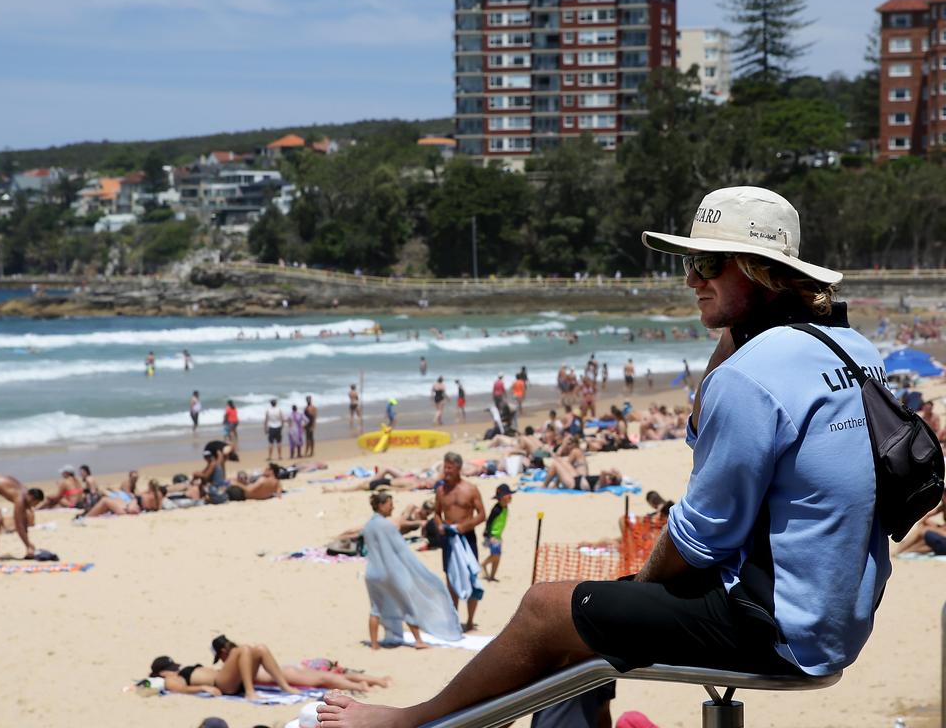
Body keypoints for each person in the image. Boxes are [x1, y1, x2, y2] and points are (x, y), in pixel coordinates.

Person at [317, 186, 893, 728]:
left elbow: (700, 539)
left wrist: (634, 594)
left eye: (709, 264)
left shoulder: (751, 376)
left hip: (774, 627)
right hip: (836, 617)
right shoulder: (851, 348)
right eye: (687, 264)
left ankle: (410, 721)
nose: (691, 279)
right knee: (582, 616)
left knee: (547, 607)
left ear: (761, 270)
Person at [361, 492, 463, 650]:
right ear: (381, 506)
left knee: (375, 608)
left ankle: (374, 644)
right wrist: (419, 570)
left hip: (372, 573)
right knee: (407, 605)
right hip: (389, 572)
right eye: (390, 503)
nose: (393, 506)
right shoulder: (387, 526)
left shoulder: (368, 526)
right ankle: (418, 641)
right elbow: (401, 550)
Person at [210, 635, 391, 692]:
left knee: (323, 679)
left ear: (224, 652)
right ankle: (378, 680)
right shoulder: (247, 657)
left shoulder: (240, 661)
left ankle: (360, 687)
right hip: (287, 669)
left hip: (285, 675)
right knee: (331, 676)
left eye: (221, 658)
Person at [433, 451, 486, 632]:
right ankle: (454, 619)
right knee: (451, 579)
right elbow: (436, 513)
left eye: (449, 467)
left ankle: (470, 621)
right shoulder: (440, 490)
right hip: (449, 539)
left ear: (458, 468)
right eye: (444, 466)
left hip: (467, 538)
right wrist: (439, 525)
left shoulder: (470, 489)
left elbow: (482, 515)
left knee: (471, 577)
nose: (446, 470)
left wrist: (466, 525)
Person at [148, 646, 301, 700]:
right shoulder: (171, 680)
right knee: (240, 650)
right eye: (172, 668)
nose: (176, 669)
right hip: (222, 683)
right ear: (163, 673)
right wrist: (203, 688)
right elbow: (181, 689)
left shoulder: (178, 673)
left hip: (228, 678)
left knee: (260, 649)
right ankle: (249, 691)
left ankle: (284, 686)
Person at [481, 484, 513, 582]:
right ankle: (483, 564)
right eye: (508, 496)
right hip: (493, 536)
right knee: (495, 555)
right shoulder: (496, 509)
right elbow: (489, 522)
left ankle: (492, 576)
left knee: (498, 558)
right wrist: (488, 535)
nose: (510, 498)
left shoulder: (505, 507)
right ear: (502, 498)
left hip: (498, 535)